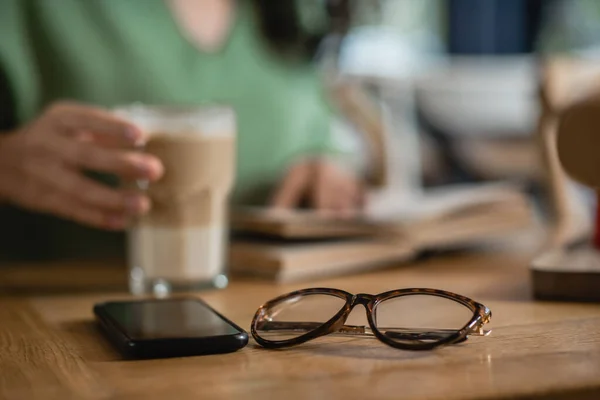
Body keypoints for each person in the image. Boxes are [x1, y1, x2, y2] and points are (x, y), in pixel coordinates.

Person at [0, 0, 364, 260]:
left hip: (275, 315)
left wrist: (328, 167)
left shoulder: (297, 12)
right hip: (59, 310)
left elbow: (320, 132)